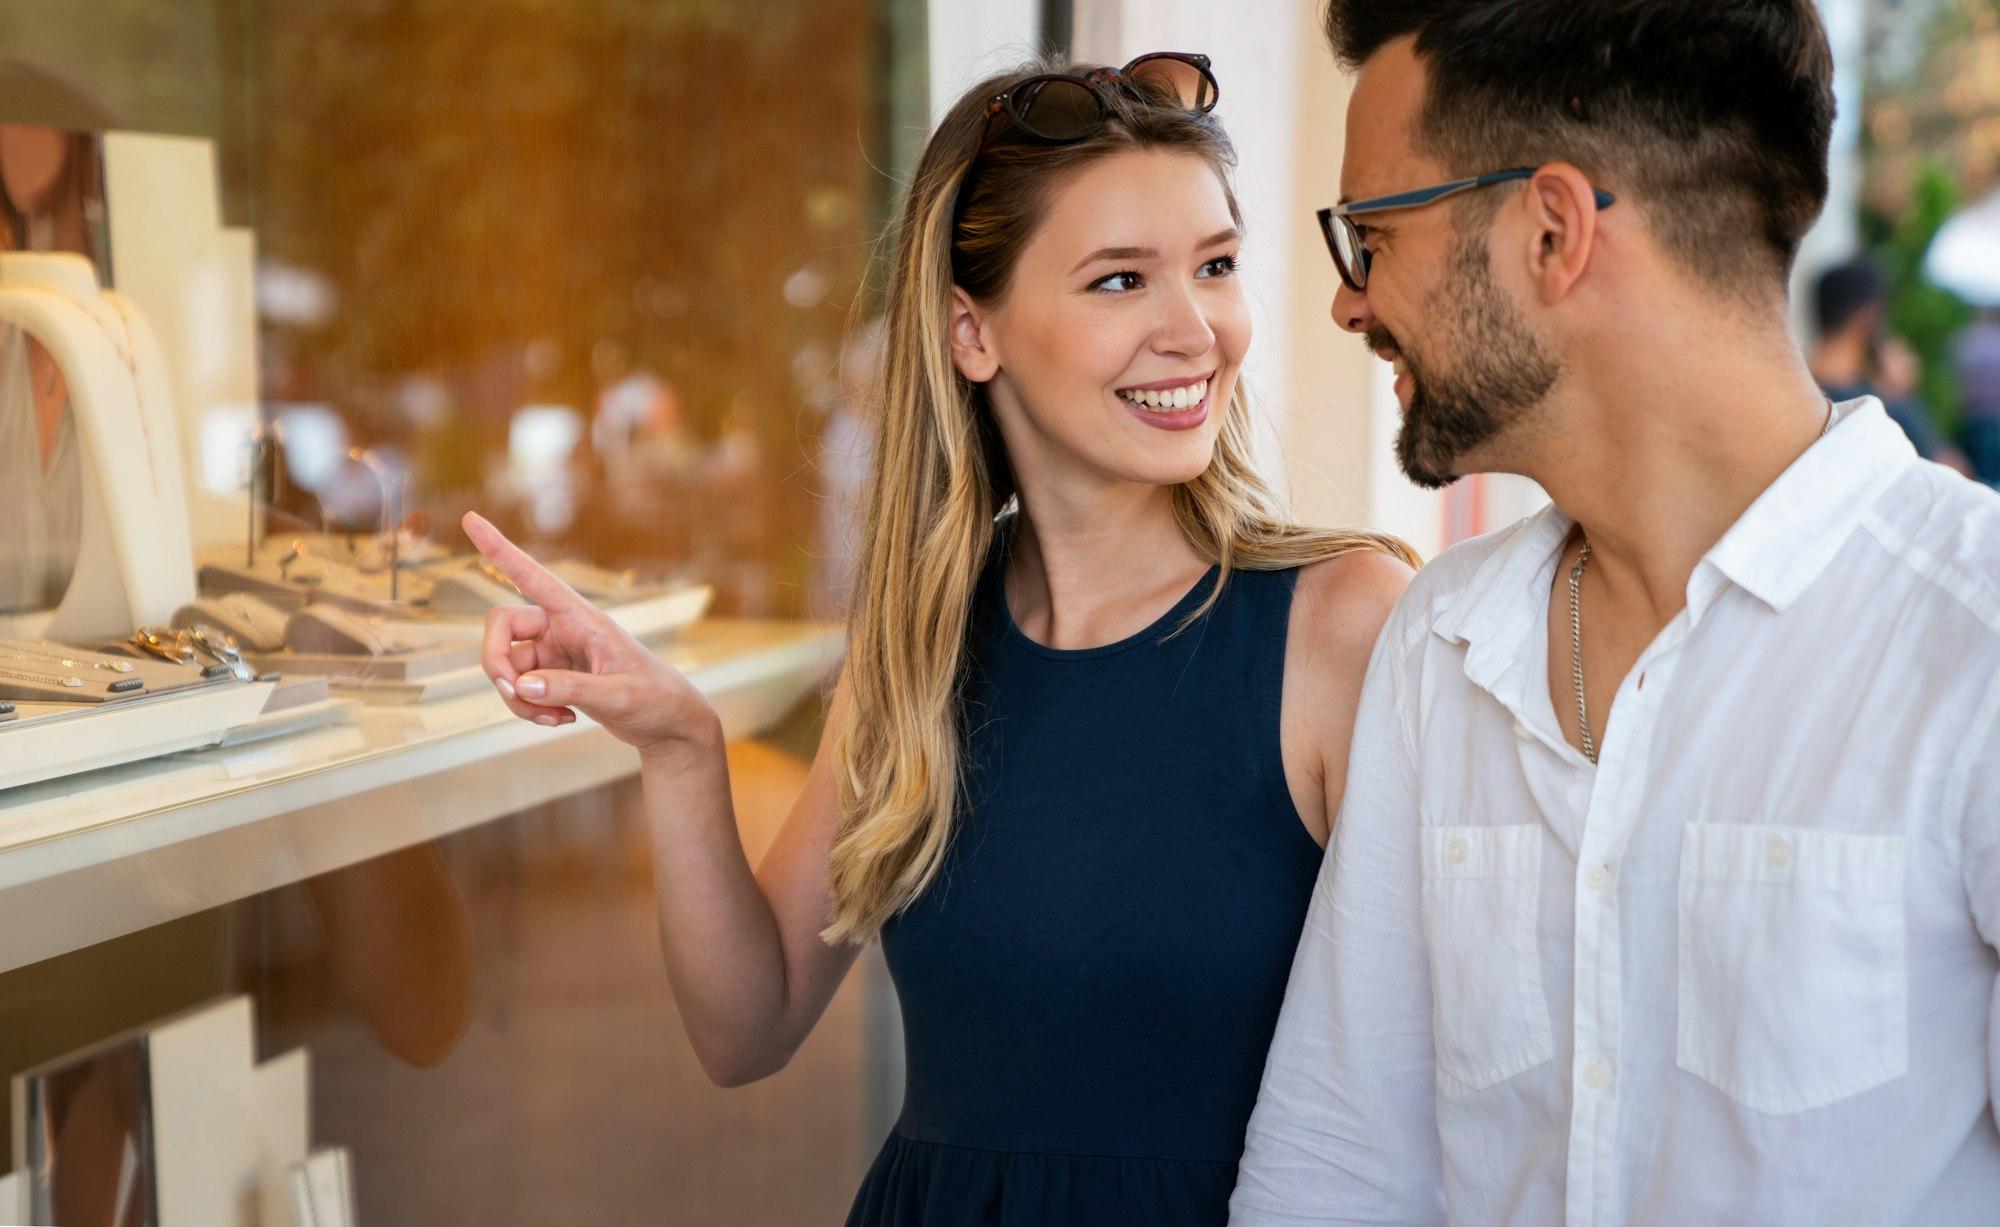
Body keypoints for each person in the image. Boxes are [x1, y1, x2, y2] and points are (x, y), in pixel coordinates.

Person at [464, 52, 1416, 1226]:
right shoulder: (918, 643)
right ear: (973, 333)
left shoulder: (1342, 625)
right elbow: (743, 1027)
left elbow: (1445, 1099)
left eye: (1215, 267)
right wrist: (680, 750)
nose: (1196, 330)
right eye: (1120, 281)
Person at [1232, 3, 2000, 1224]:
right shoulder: (1440, 643)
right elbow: (1339, 1165)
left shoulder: (1972, 645)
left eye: (1368, 238)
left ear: (1550, 231)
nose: (1349, 304)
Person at [1809, 255, 1971, 471]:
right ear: (1866, 316)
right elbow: (1955, 473)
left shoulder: (1798, 392)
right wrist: (1904, 397)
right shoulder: (1881, 407)